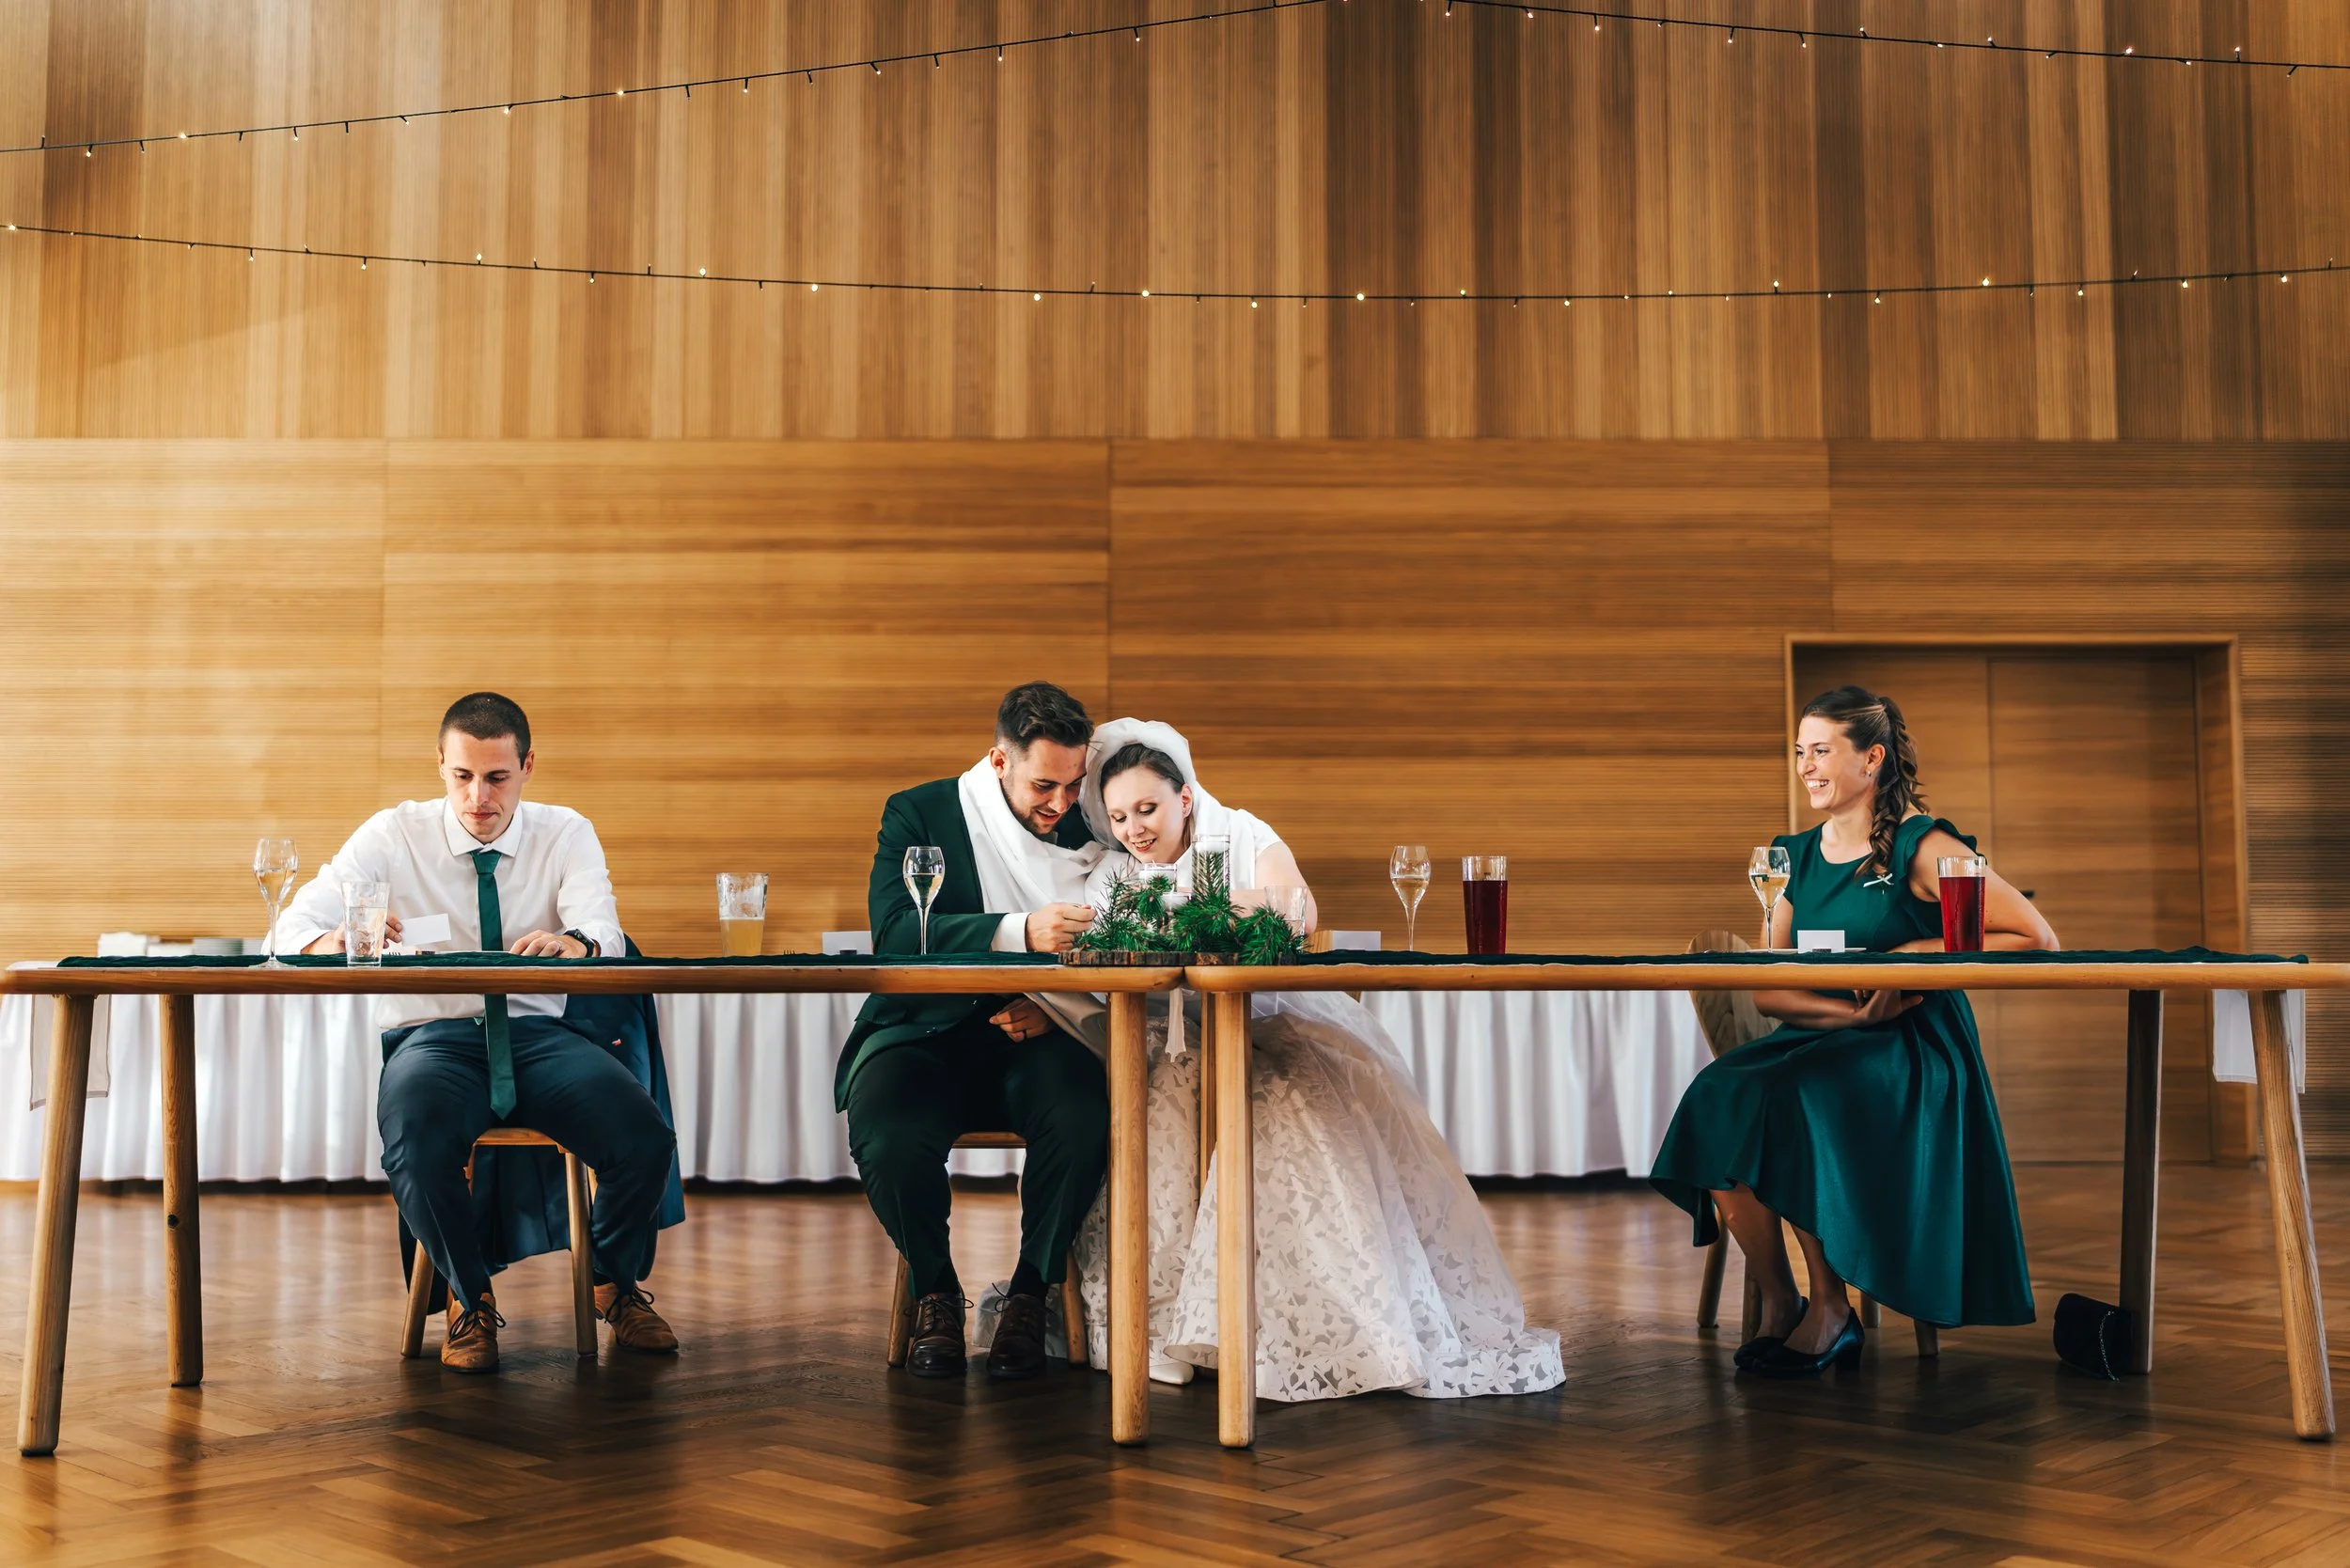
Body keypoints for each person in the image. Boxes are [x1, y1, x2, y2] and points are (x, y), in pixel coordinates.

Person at [1069, 719, 1564, 1401]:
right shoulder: (1115, 872)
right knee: (1157, 1104)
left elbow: (1296, 911)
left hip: (1264, 1021)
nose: (1134, 829)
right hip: (1162, 1034)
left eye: (1147, 809)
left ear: (1185, 798)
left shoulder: (1243, 833)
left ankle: (1295, 1323)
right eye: (1120, 816)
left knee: (1289, 1103)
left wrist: (1192, 904)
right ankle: (1158, 1325)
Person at [1650, 686, 2059, 1377]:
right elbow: (1770, 986)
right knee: (1716, 1095)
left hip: (1913, 1045)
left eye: (1822, 751)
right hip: (1828, 1033)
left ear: (1871, 759)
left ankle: (1831, 1307)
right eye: (1800, 753)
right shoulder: (1789, 857)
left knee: (1796, 1098)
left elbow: (2036, 937)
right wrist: (1851, 1014)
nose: (1807, 767)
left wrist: (1908, 958)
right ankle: (1783, 1300)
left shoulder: (1922, 845)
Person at [278, 692, 680, 1372]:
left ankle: (612, 1282)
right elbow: (289, 928)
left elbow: (603, 930)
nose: (478, 798)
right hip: (436, 1037)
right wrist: (335, 937)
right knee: (413, 1139)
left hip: (539, 1036)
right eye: (462, 776)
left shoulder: (566, 832)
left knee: (643, 1137)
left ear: (527, 767)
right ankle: (470, 1299)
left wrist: (575, 944)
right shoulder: (390, 835)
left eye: (496, 778)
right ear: (441, 765)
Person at [839, 681, 1109, 1381]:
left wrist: (1052, 1006)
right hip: (923, 1031)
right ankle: (934, 1292)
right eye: (1044, 785)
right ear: (999, 761)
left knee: (1085, 1117)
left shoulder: (1092, 824)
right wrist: (1019, 932)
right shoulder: (919, 812)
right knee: (888, 1132)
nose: (1061, 805)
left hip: (1042, 1032)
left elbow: (1124, 933)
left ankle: (1030, 1294)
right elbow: (896, 935)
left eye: (1073, 784)